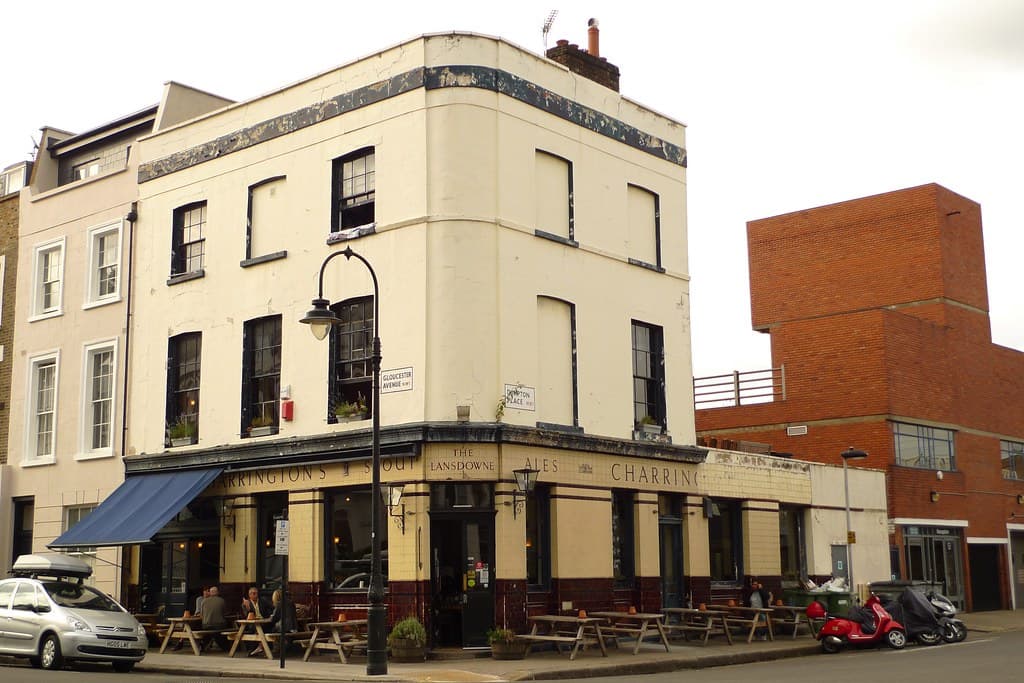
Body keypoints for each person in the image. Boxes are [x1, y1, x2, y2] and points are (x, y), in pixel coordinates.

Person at [241, 586, 271, 656]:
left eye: (256, 593)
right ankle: (262, 648)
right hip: (252, 624)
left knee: (265, 627)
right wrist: (248, 608)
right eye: (253, 593)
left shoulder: (263, 601)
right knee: (258, 628)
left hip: (264, 621)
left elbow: (272, 608)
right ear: (249, 594)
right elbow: (247, 616)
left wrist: (269, 615)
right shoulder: (245, 604)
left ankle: (260, 648)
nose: (255, 595)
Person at [268, 588, 299, 656]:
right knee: (275, 629)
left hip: (284, 627)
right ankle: (280, 647)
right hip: (294, 627)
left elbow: (274, 618)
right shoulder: (291, 602)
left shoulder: (279, 604)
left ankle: (276, 648)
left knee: (272, 629)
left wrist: (271, 617)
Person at [199, 585, 230, 651]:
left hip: (206, 625)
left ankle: (204, 644)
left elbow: (201, 615)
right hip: (219, 625)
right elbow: (225, 614)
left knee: (208, 632)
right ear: (218, 592)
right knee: (226, 626)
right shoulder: (222, 601)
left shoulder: (203, 601)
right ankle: (226, 646)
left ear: (210, 593)